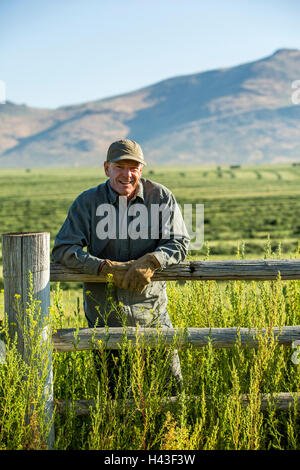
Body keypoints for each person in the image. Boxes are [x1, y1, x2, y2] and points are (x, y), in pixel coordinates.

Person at [52, 139, 190, 395]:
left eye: (134, 167)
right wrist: (103, 267)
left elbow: (180, 242)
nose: (127, 174)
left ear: (141, 169)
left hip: (153, 318)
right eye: (120, 167)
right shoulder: (87, 203)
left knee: (171, 394)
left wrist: (152, 260)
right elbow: (63, 249)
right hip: (106, 321)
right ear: (107, 169)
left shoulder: (160, 197)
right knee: (113, 400)